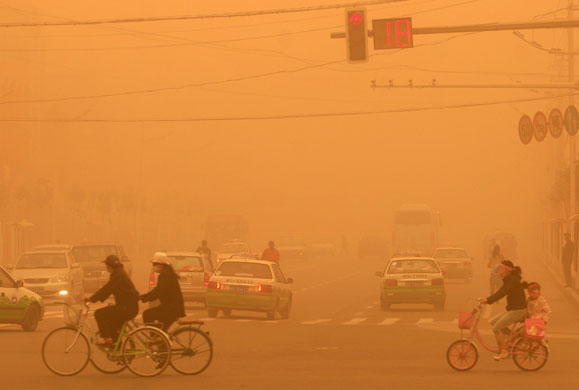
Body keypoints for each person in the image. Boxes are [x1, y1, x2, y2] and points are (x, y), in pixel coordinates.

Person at [87, 255, 139, 346]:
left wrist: (92, 298)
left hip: (126, 308)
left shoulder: (117, 274)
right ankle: (118, 351)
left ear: (109, 266)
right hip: (129, 307)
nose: (106, 268)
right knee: (114, 326)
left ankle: (107, 339)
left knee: (99, 314)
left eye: (107, 266)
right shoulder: (120, 272)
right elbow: (109, 289)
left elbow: (107, 289)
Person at [481, 260, 527, 361]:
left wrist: (488, 300)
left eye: (502, 270)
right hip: (513, 309)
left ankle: (503, 351)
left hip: (518, 310)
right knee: (493, 322)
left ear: (507, 271)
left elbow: (503, 292)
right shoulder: (509, 279)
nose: (500, 272)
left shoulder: (512, 280)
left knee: (497, 328)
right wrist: (487, 299)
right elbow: (501, 291)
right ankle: (514, 338)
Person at [140, 252, 185, 331]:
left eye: (154, 264)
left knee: (147, 314)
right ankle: (159, 338)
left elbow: (157, 292)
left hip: (171, 308)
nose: (153, 266)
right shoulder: (167, 274)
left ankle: (155, 337)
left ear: (161, 264)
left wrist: (142, 297)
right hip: (173, 307)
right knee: (161, 329)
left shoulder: (165, 276)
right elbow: (158, 291)